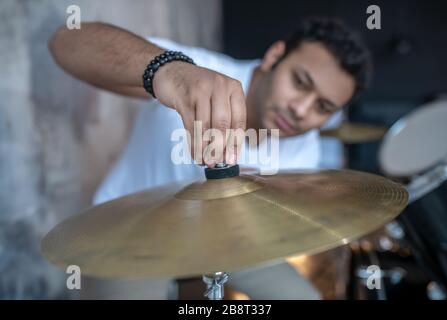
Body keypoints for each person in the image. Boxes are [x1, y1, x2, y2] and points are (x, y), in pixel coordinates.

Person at [49, 17, 371, 299]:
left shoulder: (306, 147)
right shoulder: (199, 73)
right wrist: (167, 70)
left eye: (322, 107)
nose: (301, 110)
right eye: (300, 82)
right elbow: (65, 42)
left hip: (230, 240)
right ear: (274, 56)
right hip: (128, 234)